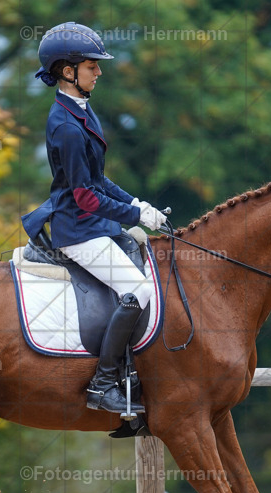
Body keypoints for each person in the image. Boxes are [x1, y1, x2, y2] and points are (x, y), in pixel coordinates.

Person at [27, 22, 167, 415]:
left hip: (95, 223)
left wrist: (137, 203)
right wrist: (133, 214)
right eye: (92, 65)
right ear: (67, 70)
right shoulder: (65, 125)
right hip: (78, 231)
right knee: (138, 292)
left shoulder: (81, 110)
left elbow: (98, 178)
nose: (99, 72)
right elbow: (85, 196)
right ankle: (103, 383)